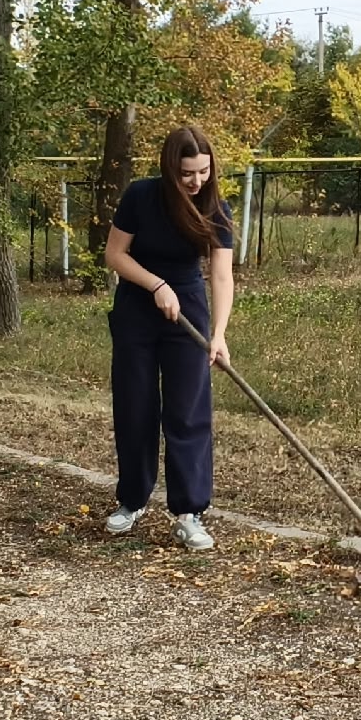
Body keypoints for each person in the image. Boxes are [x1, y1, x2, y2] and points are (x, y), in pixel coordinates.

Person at [102, 125, 236, 551]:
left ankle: (188, 512)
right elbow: (114, 255)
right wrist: (156, 285)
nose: (196, 181)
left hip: (188, 309)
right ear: (169, 168)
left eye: (203, 171)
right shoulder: (141, 196)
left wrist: (218, 334)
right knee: (135, 405)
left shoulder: (216, 207)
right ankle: (132, 500)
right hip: (138, 307)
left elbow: (221, 274)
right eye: (187, 173)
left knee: (188, 411)